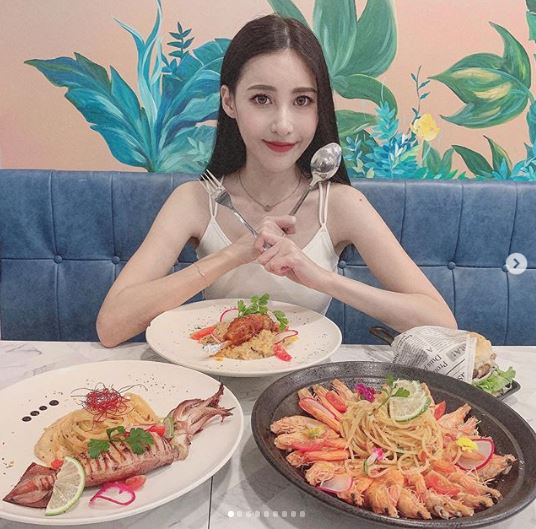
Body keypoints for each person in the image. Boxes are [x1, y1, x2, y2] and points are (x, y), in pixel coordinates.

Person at [96, 14, 457, 348]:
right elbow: (111, 326)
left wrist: (320, 278)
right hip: (214, 378)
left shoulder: (339, 204)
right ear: (229, 101)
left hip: (305, 388)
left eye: (302, 100)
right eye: (262, 99)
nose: (283, 124)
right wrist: (232, 255)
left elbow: (442, 323)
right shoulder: (195, 200)